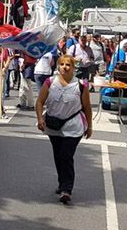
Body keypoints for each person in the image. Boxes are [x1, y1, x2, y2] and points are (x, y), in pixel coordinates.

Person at [35, 55, 93, 205]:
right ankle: (62, 183)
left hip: (73, 126)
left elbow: (87, 107)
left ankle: (67, 188)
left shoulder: (81, 85)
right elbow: (40, 102)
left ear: (74, 68)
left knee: (66, 155)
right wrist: (40, 119)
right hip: (53, 126)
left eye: (68, 65)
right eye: (62, 64)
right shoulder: (50, 82)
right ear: (58, 66)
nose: (65, 67)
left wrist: (90, 127)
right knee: (58, 155)